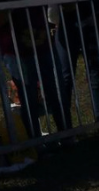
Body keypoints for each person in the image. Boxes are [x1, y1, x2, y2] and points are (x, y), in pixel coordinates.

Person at [0, 6, 69, 139]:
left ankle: (67, 135)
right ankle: (35, 141)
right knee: (28, 97)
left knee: (56, 91)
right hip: (16, 50)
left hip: (43, 44)